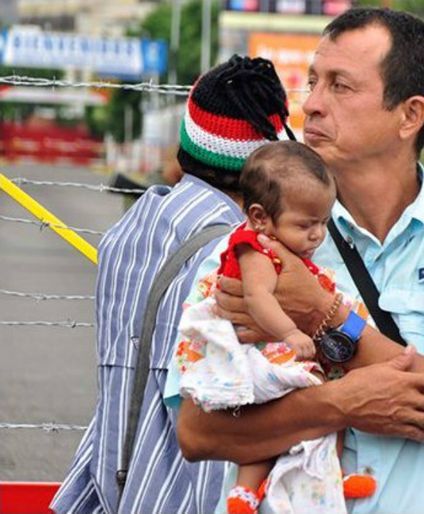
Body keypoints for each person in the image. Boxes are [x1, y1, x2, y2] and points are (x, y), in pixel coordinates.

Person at [167, 7, 424, 514]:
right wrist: (339, 403)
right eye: (313, 82)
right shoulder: (252, 239)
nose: (312, 106)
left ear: (410, 115)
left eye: (340, 87)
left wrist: (325, 317)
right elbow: (197, 431)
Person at [51, 55, 298, 514]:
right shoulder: (236, 258)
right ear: (267, 167)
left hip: (113, 485)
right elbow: (218, 407)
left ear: (186, 143)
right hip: (182, 498)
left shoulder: (129, 231)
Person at [175, 140, 374, 513]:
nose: (317, 234)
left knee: (318, 413)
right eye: (305, 224)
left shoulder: (280, 247)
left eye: (323, 223)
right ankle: (247, 489)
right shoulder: (257, 249)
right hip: (259, 355)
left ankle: (317, 478)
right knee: (293, 414)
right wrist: (291, 333)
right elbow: (259, 298)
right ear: (260, 215)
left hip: (271, 351)